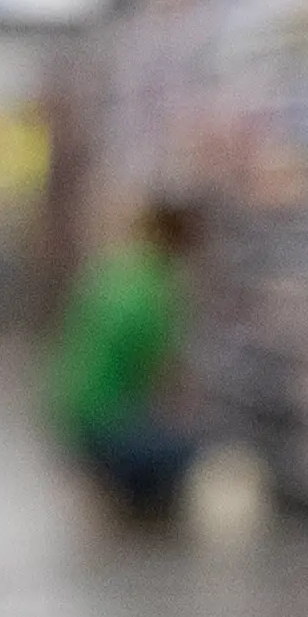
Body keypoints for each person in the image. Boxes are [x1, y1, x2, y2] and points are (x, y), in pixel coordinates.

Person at [53, 195, 201, 524]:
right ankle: (135, 490)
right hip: (106, 423)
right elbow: (160, 373)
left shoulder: (114, 270)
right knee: (191, 449)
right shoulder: (159, 290)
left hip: (70, 411)